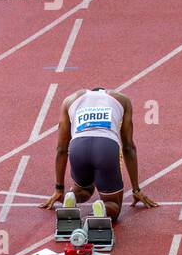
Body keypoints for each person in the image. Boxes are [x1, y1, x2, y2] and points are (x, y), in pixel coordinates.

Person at [40, 87, 156, 221]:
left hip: (79, 146)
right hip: (106, 147)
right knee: (113, 204)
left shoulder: (70, 100)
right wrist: (136, 189)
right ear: (105, 91)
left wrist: (59, 189)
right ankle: (103, 208)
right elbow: (129, 147)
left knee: (84, 189)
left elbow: (61, 149)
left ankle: (71, 197)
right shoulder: (122, 99)